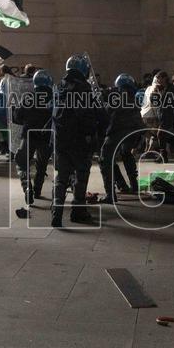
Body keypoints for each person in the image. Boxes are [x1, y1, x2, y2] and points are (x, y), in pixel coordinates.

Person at [51, 54, 104, 228]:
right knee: (81, 178)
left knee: (62, 177)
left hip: (61, 140)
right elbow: (88, 116)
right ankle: (78, 211)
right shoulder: (84, 88)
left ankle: (56, 211)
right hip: (79, 141)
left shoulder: (60, 86)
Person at [13, 69, 54, 206]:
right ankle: (37, 190)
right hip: (46, 137)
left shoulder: (28, 97)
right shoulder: (54, 97)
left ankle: (27, 188)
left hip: (29, 135)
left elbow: (17, 117)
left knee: (22, 163)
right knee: (42, 165)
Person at [99, 73, 142, 203]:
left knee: (105, 159)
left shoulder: (117, 96)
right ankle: (132, 185)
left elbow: (107, 111)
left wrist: (101, 101)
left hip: (118, 132)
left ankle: (110, 195)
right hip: (133, 133)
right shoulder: (132, 97)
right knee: (126, 154)